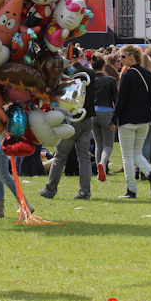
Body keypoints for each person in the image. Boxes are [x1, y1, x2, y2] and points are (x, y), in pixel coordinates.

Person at [40, 60, 95, 200]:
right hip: (87, 118)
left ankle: (50, 189)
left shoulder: (67, 75)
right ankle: (85, 191)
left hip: (72, 118)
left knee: (60, 156)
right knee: (84, 158)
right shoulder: (90, 72)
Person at [110, 45, 151, 198]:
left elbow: (121, 99)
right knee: (137, 153)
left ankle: (131, 189)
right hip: (144, 118)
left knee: (127, 156)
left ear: (132, 56)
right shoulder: (147, 74)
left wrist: (114, 118)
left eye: (123, 56)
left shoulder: (127, 75)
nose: (120, 59)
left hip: (128, 120)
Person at [90, 55, 117, 179]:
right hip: (107, 113)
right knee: (108, 145)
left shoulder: (90, 79)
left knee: (98, 144)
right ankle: (102, 163)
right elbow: (115, 99)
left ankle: (98, 170)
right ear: (104, 66)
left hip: (92, 114)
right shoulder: (110, 80)